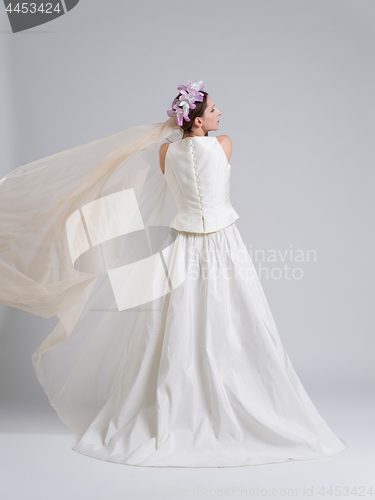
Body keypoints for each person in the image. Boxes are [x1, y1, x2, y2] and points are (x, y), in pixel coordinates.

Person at [0, 80, 348, 468]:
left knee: (177, 323)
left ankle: (182, 399)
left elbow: (173, 160)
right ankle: (230, 397)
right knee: (235, 319)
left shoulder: (166, 152)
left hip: (182, 247)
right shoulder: (225, 144)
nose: (220, 114)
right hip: (224, 246)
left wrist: (176, 130)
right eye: (213, 109)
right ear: (198, 121)